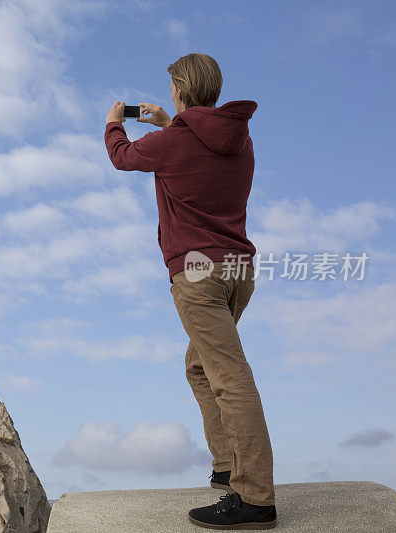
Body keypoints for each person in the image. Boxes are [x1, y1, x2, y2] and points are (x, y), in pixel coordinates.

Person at [104, 52, 277, 530]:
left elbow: (122, 157)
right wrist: (170, 121)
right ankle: (228, 466)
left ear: (178, 89)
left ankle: (255, 498)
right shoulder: (240, 142)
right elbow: (199, 145)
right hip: (239, 269)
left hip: (198, 273)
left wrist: (114, 122)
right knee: (199, 366)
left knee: (227, 374)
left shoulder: (170, 142)